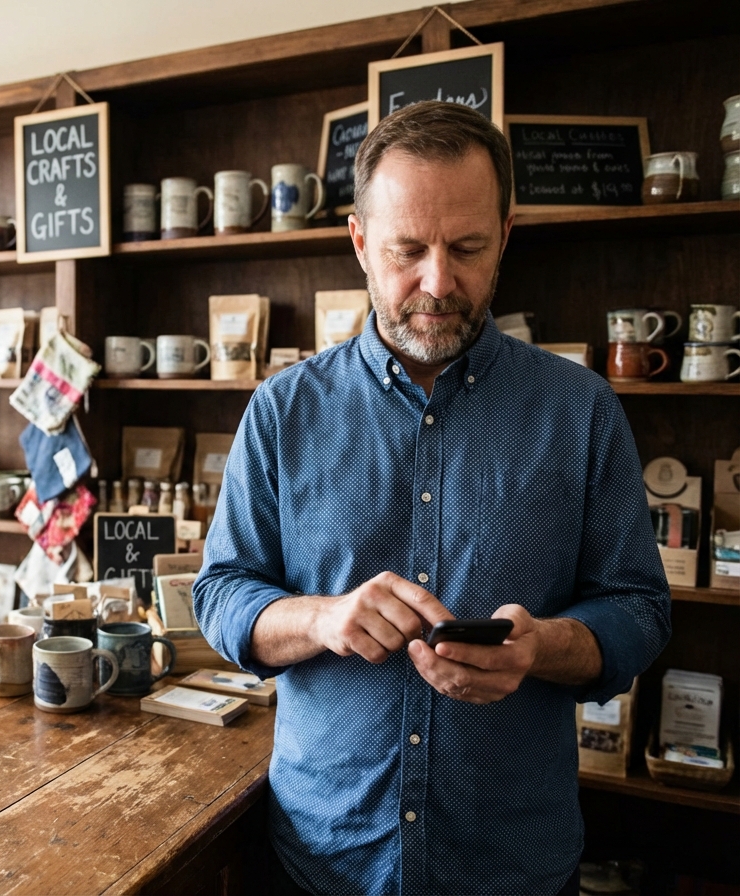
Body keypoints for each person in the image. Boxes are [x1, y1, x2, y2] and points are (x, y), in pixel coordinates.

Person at [192, 101, 671, 896]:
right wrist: (322, 617)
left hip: (512, 866)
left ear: (506, 239)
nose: (438, 282)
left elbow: (640, 610)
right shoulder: (281, 411)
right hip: (323, 859)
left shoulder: (582, 411)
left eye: (469, 248)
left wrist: (540, 648)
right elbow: (221, 595)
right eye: (407, 250)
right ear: (358, 243)